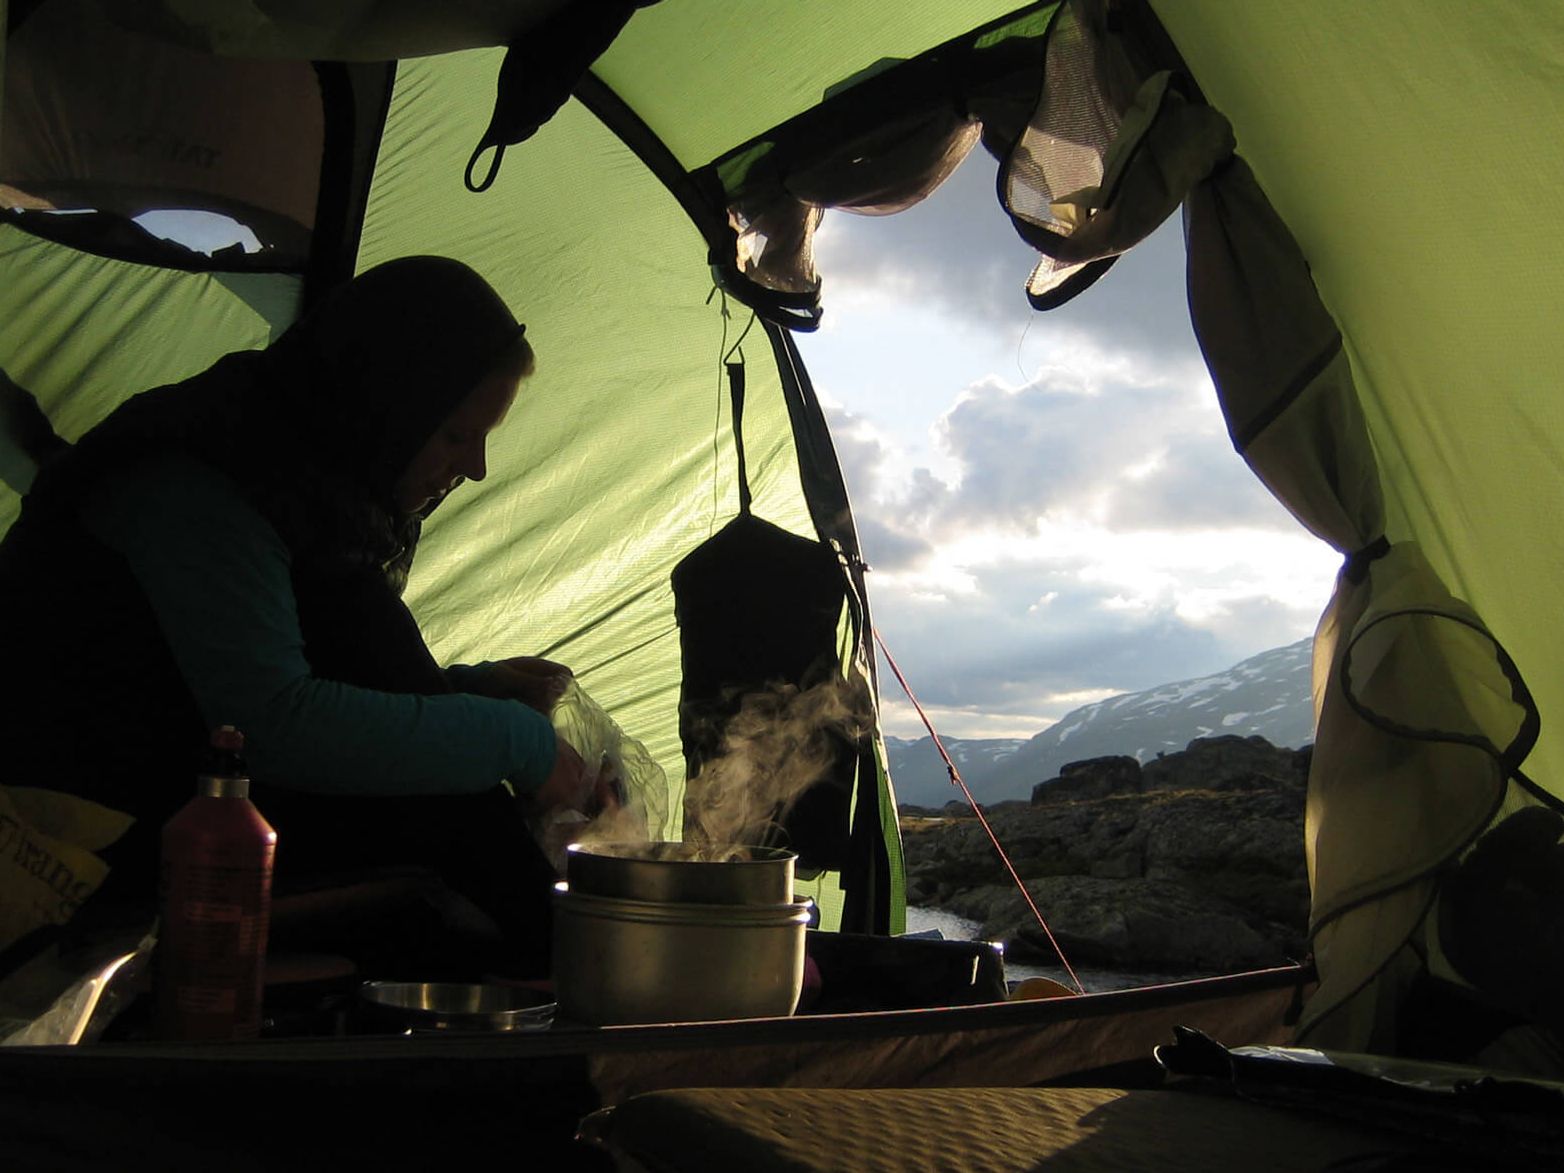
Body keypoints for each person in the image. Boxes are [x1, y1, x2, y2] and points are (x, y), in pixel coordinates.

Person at [0, 256, 606, 977]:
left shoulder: (302, 474)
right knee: (371, 645)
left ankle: (553, 949)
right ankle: (567, 965)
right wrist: (515, 742)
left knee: (368, 639)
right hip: (68, 838)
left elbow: (246, 673)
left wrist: (467, 689)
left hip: (175, 793)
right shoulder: (202, 481)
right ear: (388, 403)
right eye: (453, 435)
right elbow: (272, 722)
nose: (473, 468)